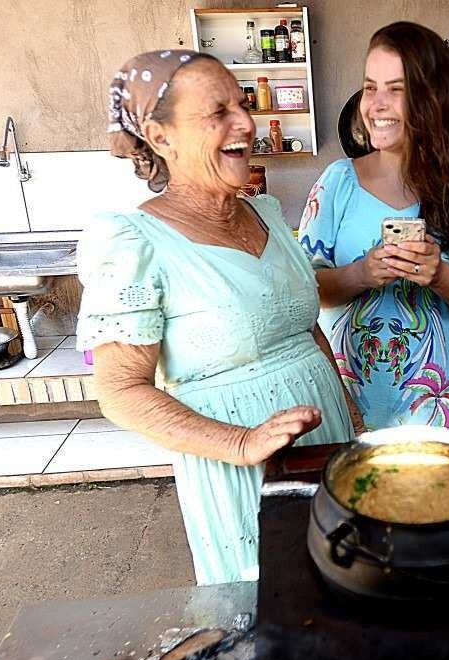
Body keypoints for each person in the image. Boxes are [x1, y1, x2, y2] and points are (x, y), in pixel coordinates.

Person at [75, 50, 361, 585]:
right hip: (237, 468)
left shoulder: (267, 214)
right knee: (270, 597)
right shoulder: (133, 242)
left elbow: (306, 331)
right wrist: (241, 443)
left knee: (344, 585)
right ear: (160, 137)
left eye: (243, 105)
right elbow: (119, 390)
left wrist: (352, 419)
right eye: (218, 112)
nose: (245, 124)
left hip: (326, 444)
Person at [298, 22, 449, 432]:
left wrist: (440, 276)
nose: (376, 104)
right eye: (370, 87)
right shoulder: (336, 183)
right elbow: (307, 292)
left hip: (442, 409)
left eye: (396, 89)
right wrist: (361, 273)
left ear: (434, 99)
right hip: (348, 407)